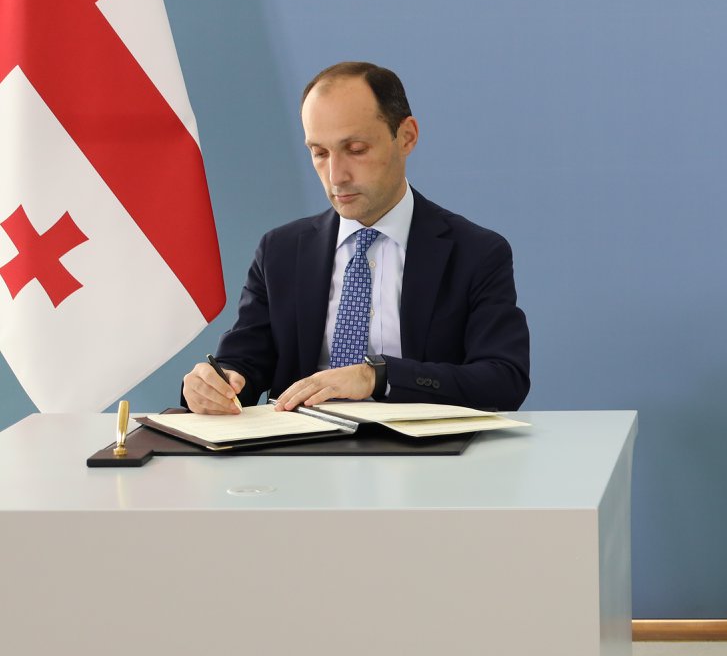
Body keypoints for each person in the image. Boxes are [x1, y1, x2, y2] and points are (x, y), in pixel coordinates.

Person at [182, 62, 530, 414]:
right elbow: (242, 364)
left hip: (420, 445)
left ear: (406, 137)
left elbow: (504, 381)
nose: (336, 176)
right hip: (300, 444)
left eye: (356, 149)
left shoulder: (476, 253)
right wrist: (215, 384)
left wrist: (378, 376)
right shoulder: (280, 251)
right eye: (319, 153)